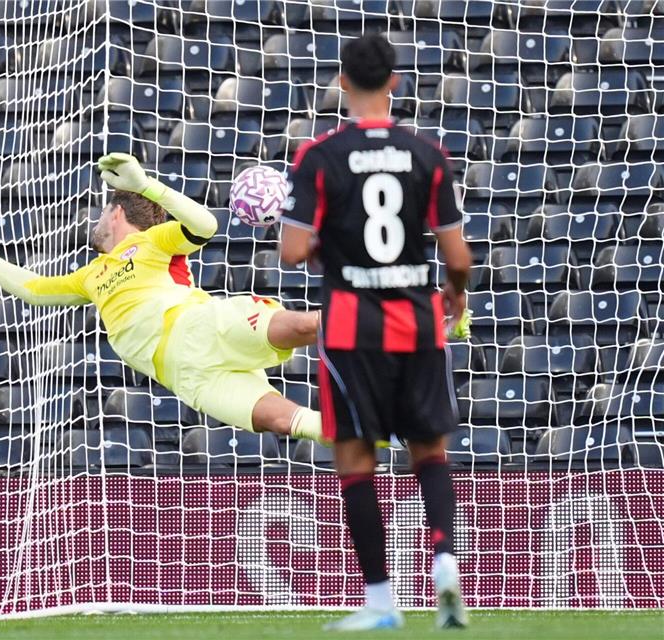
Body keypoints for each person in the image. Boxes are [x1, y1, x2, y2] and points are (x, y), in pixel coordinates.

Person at [0, 152, 325, 443]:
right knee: (285, 421)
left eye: (100, 213)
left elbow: (204, 225)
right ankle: (373, 434)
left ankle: (374, 322)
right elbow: (33, 290)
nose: (95, 221)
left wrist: (146, 185)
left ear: (116, 213)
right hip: (188, 378)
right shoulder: (90, 277)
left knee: (306, 325)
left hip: (199, 327)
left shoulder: (154, 241)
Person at [280, 34, 472, 631]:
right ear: (395, 82)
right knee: (429, 452)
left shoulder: (317, 156)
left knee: (357, 459)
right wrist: (454, 293)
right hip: (417, 323)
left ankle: (382, 601)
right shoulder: (428, 154)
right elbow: (458, 256)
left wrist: (330, 239)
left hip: (350, 327)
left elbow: (291, 252)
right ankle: (443, 559)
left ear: (342, 82)